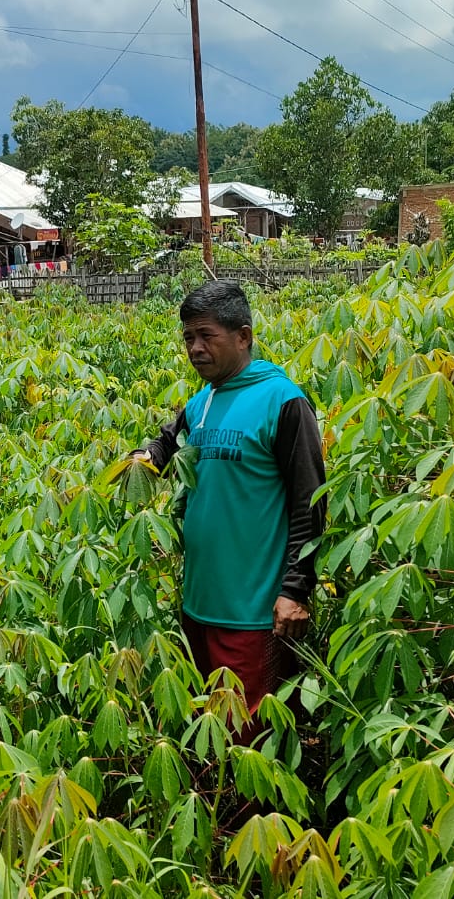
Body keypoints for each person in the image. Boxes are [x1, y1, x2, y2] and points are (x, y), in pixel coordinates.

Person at [133, 280, 326, 719]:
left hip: (255, 611)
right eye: (188, 338)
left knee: (248, 733)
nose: (195, 348)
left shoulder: (282, 401)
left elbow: (309, 502)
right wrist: (142, 458)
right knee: (208, 729)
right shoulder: (203, 401)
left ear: (243, 337)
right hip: (199, 603)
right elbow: (167, 444)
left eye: (206, 336)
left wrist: (295, 590)